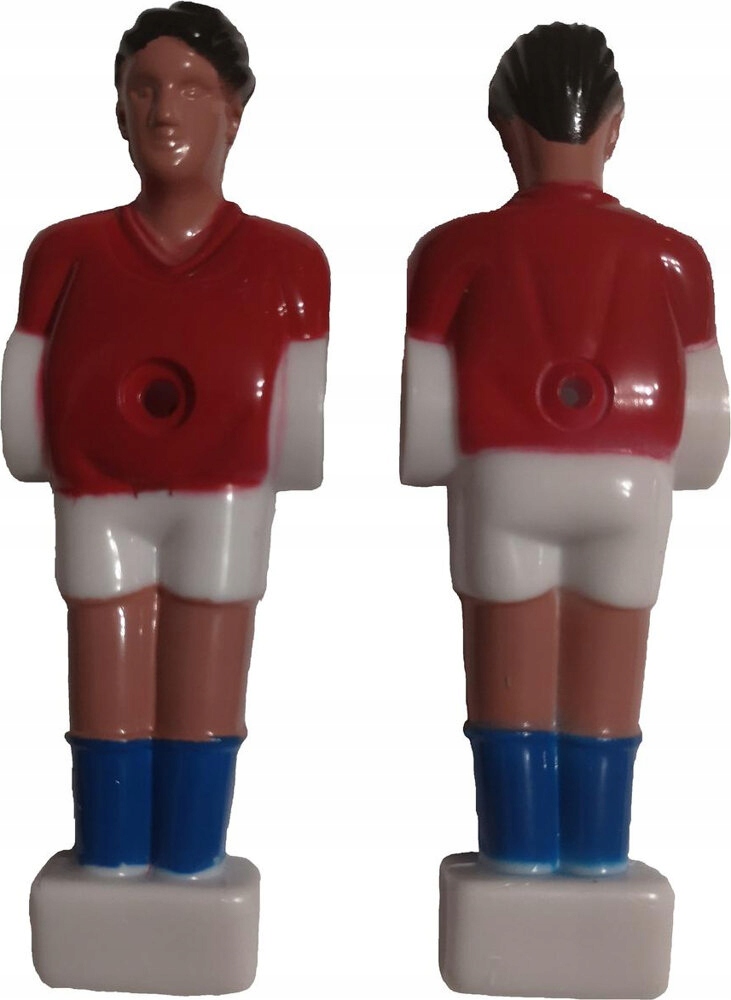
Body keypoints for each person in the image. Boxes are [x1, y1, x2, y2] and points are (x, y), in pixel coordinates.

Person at [2, 2, 328, 991]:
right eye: (142, 88)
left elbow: (301, 425)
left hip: (224, 496)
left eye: (190, 87)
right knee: (104, 669)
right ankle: (109, 854)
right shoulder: (64, 253)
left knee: (203, 674)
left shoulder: (289, 263)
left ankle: (188, 858)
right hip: (98, 493)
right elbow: (23, 405)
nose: (164, 108)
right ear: (116, 111)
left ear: (235, 110)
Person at [402, 22, 728, 880]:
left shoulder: (449, 251)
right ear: (614, 128)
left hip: (503, 480)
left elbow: (425, 427)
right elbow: (704, 434)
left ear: (506, 130)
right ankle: (595, 855)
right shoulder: (677, 260)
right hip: (632, 486)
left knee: (508, 679)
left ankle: (516, 858)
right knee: (607, 681)